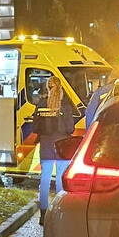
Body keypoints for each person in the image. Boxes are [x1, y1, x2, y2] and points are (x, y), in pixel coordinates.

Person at [34, 77, 76, 225]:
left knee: (44, 180)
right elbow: (71, 128)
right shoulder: (65, 105)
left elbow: (35, 127)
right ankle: (58, 214)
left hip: (46, 146)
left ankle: (43, 215)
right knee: (60, 179)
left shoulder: (41, 104)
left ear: (48, 87)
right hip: (62, 147)